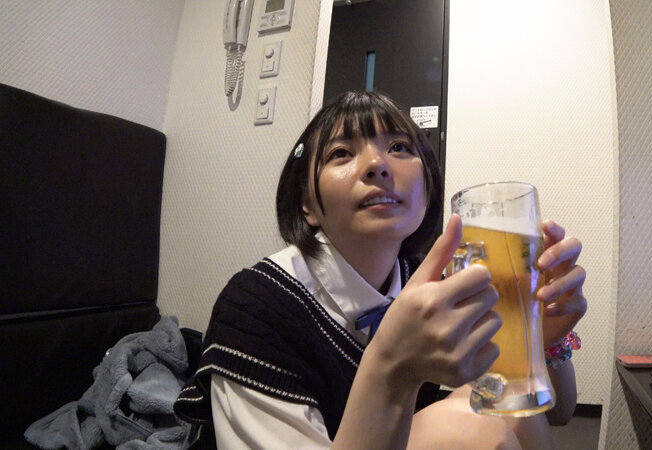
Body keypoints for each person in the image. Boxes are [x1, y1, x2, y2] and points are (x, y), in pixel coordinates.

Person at [174, 91, 588, 449]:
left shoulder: (423, 284)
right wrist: (391, 364)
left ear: (427, 188)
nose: (377, 165)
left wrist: (541, 340)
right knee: (475, 430)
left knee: (505, 412)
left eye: (400, 148)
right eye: (341, 153)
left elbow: (559, 413)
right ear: (307, 204)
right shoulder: (257, 305)